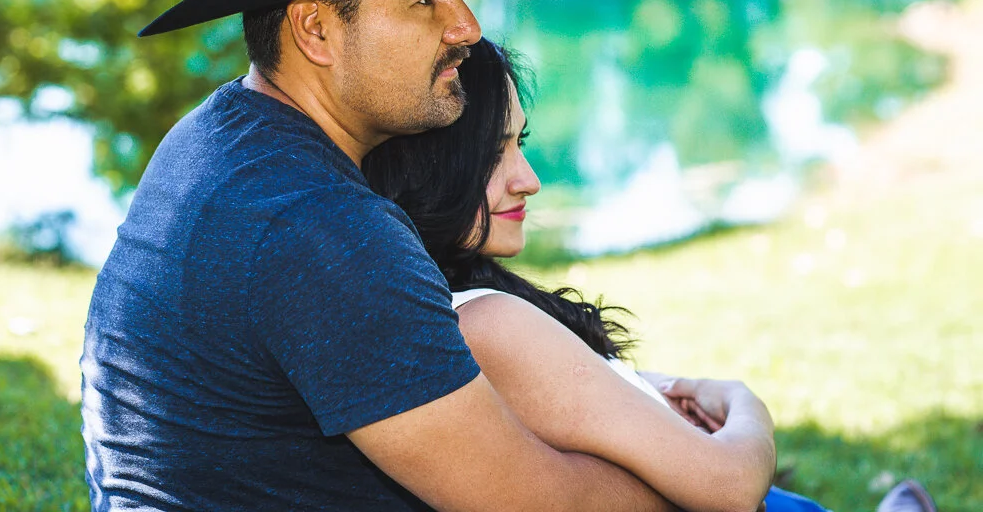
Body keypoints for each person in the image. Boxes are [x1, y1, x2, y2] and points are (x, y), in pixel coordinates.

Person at [80, 0, 686, 512]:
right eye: (425, 0)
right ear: (315, 30)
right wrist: (701, 476)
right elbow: (541, 504)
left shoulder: (216, 133)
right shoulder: (319, 224)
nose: (466, 27)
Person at [362, 39, 939, 512]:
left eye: (521, 144)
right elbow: (731, 489)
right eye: (494, 154)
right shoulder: (487, 320)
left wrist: (663, 391)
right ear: (430, 166)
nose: (528, 179)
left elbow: (567, 393)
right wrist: (747, 408)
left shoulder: (460, 300)